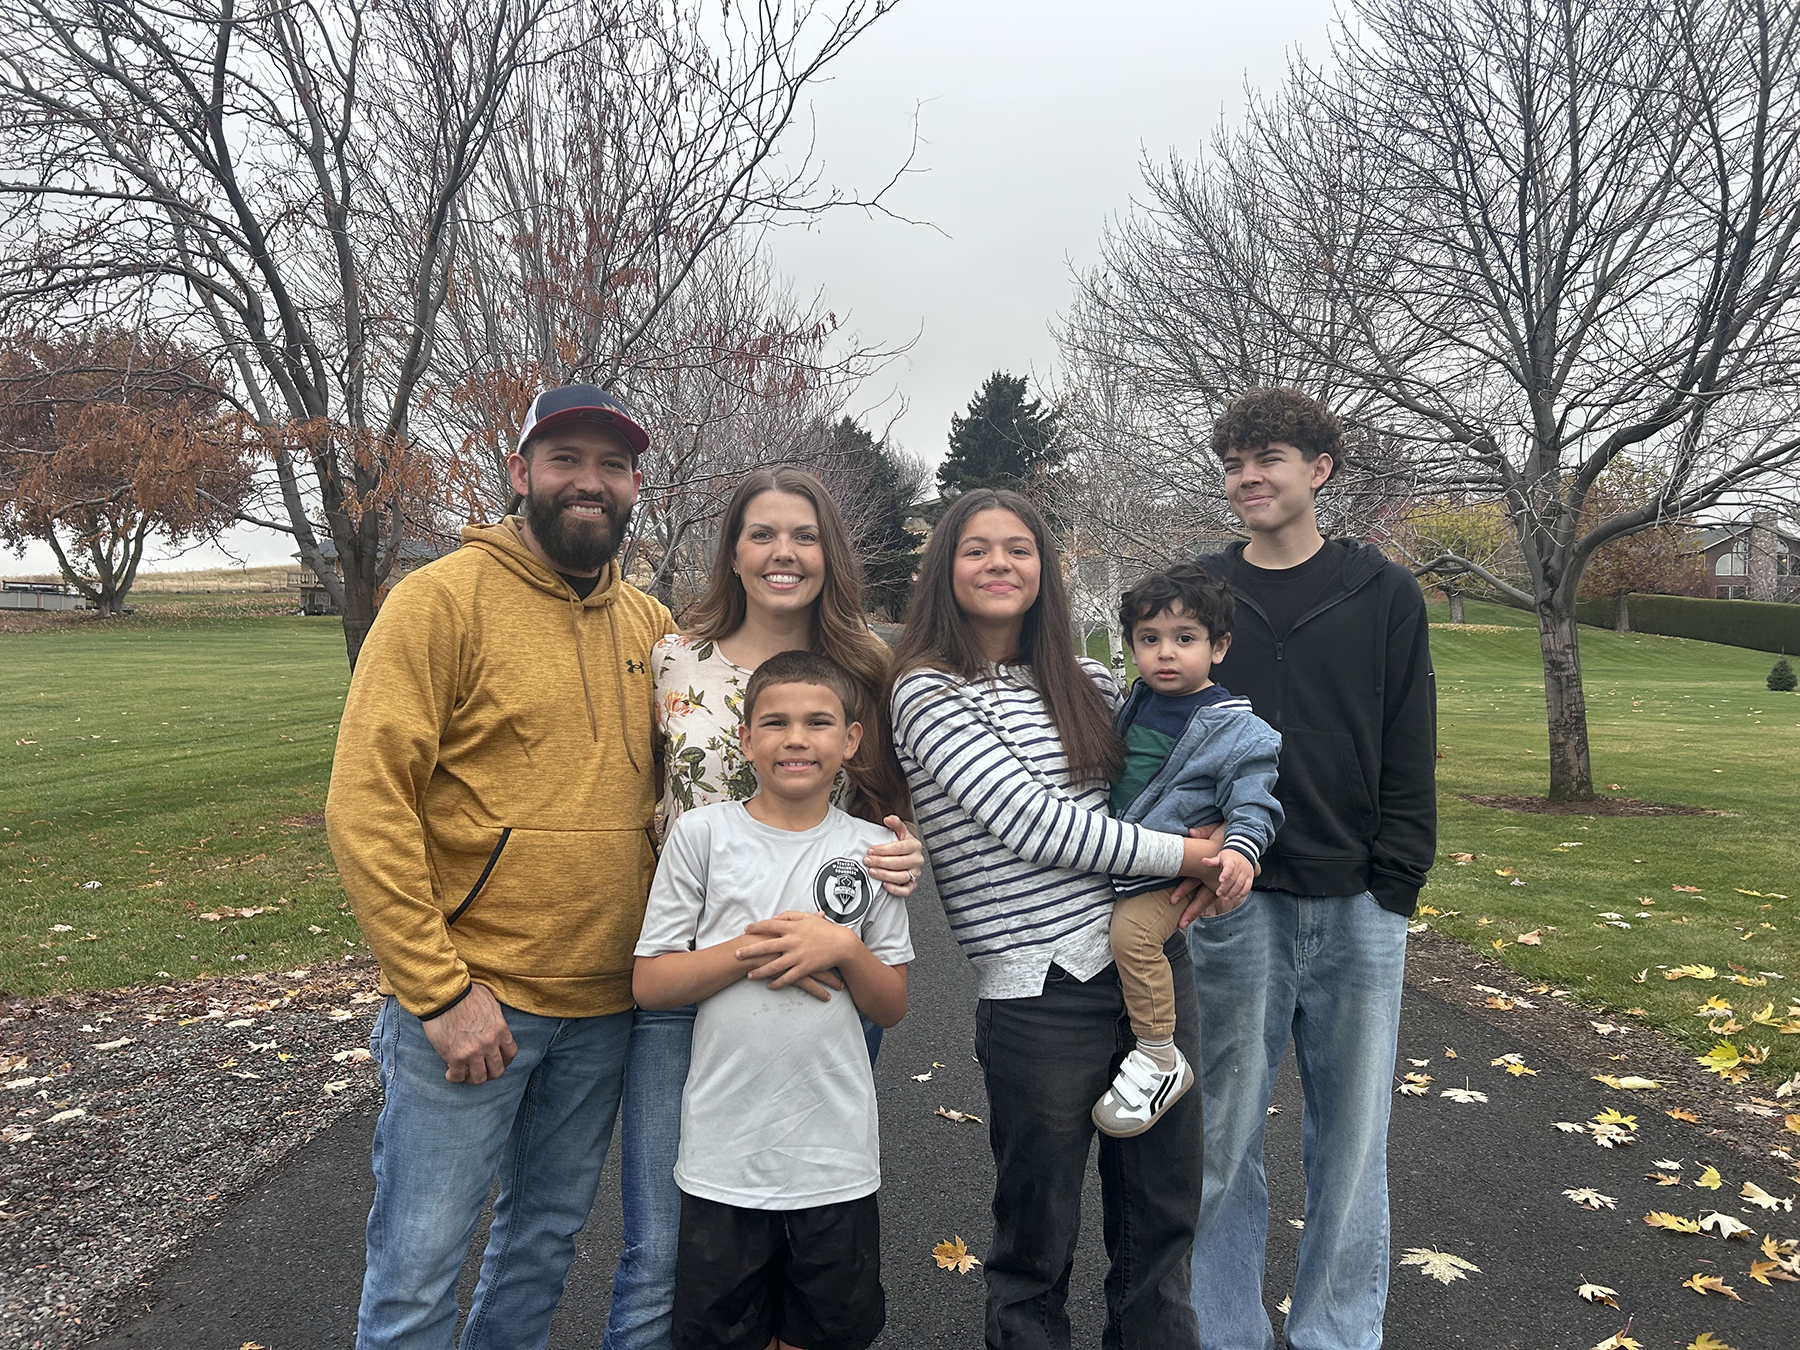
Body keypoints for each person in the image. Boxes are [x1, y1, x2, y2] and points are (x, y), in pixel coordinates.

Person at [327, 383, 672, 1350]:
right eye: (565, 460)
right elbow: (367, 804)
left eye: (611, 466)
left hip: (606, 1008)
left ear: (636, 485)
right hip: (475, 1006)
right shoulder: (439, 603)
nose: (588, 483)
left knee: (542, 1245)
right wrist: (437, 993)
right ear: (520, 472)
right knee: (418, 1271)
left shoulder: (652, 627)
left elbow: (725, 777)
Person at [890, 487, 1228, 1350]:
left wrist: (1232, 836)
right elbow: (1035, 825)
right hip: (1040, 989)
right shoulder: (926, 694)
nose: (1000, 563)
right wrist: (1189, 859)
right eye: (977, 549)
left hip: (1149, 966)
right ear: (946, 568)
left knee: (1160, 1218)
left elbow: (1174, 778)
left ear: (1045, 569)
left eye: (1019, 548)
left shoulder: (1093, 680)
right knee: (1036, 1235)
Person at [603, 467, 922, 1350]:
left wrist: (903, 849)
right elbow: (634, 782)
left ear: (829, 552)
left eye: (804, 535)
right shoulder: (673, 653)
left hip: (829, 962)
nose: (784, 552)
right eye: (762, 534)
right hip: (693, 958)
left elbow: (894, 802)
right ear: (733, 551)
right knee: (667, 1247)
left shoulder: (868, 661)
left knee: (809, 1216)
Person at [1182, 387, 1436, 1350]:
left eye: (1270, 460)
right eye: (1236, 463)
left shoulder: (1383, 593)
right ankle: (1222, 1328)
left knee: (1352, 1145)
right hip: (1233, 902)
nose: (1249, 478)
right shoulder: (1199, 591)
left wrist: (1396, 883)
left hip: (1359, 906)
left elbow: (1409, 743)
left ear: (1319, 470)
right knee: (1222, 1141)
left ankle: (1337, 1331)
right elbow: (1162, 738)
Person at [634, 649, 912, 1350]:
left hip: (834, 1157)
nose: (796, 738)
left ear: (850, 741)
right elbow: (651, 982)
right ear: (745, 738)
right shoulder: (703, 836)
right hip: (724, 1158)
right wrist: (754, 952)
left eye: (819, 722)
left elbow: (892, 1005)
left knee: (824, 1333)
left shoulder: (872, 849)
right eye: (776, 722)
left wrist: (843, 949)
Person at [1091, 562, 1283, 1139]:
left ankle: (1158, 1055)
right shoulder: (1134, 704)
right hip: (1126, 855)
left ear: (1218, 647)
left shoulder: (1237, 731)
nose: (1165, 654)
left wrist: (1240, 851)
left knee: (1133, 935)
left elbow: (1255, 802)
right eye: (1149, 640)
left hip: (1169, 871)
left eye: (1185, 639)